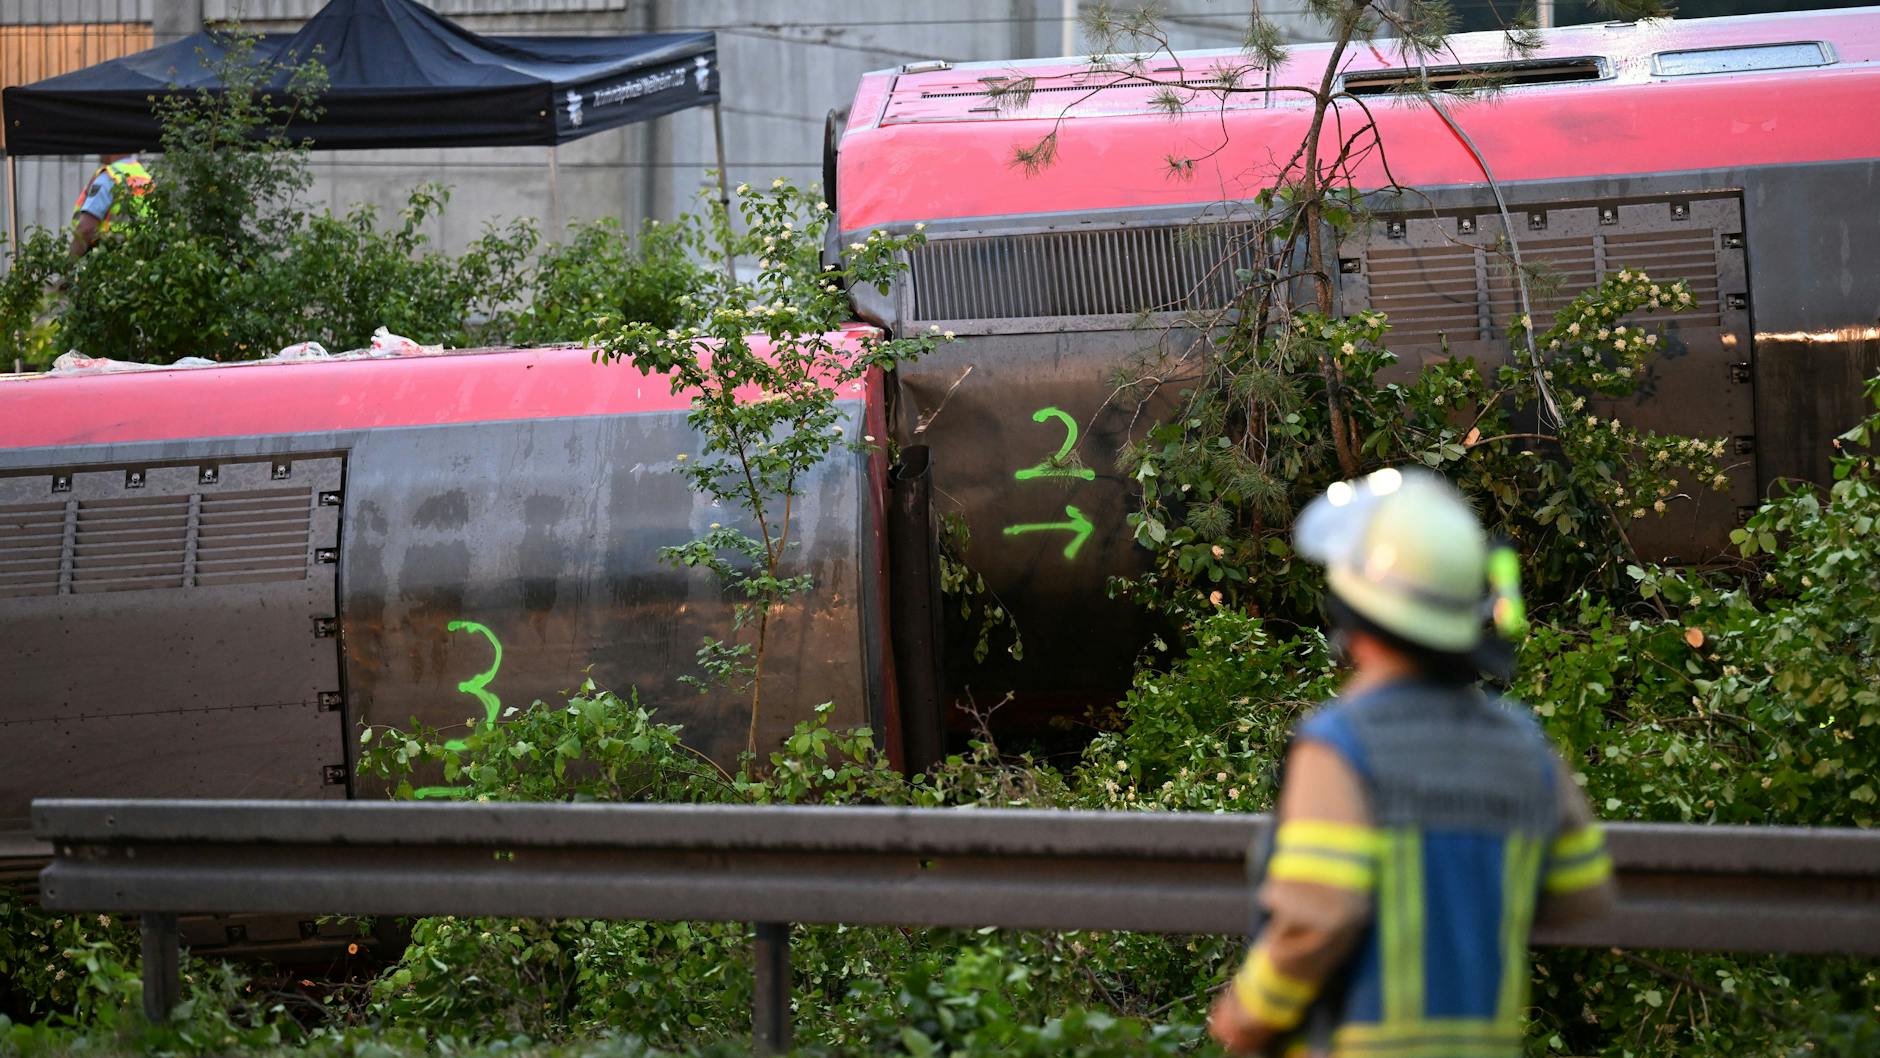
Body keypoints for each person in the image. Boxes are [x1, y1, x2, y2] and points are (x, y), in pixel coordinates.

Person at [1208, 467, 1616, 1058]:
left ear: (1358, 627)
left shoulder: (1340, 745)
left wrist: (1246, 1016)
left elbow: (1319, 918)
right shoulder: (1522, 743)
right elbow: (1581, 895)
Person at [68, 152, 153, 259]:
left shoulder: (109, 177)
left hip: (106, 260)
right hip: (139, 261)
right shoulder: (145, 177)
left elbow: (86, 229)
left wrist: (68, 265)